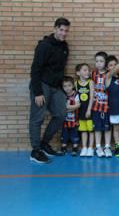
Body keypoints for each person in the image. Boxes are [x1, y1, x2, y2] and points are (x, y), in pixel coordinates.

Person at [28, 17, 70, 164]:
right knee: (37, 118)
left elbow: (59, 69)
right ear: (55, 29)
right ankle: (35, 150)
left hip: (55, 87)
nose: (64, 33)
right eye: (61, 30)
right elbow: (35, 69)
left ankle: (44, 144)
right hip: (41, 85)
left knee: (61, 113)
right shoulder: (44, 46)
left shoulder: (64, 47)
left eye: (66, 31)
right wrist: (38, 92)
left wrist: (61, 90)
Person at [92, 52, 119, 158]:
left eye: (115, 64)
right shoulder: (108, 76)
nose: (114, 67)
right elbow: (113, 71)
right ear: (107, 67)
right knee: (116, 128)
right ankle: (118, 147)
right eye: (111, 65)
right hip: (113, 108)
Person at [75, 63, 95, 157]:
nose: (88, 72)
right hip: (80, 111)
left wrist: (89, 109)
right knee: (83, 130)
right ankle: (84, 148)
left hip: (89, 110)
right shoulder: (76, 83)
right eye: (85, 70)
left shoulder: (90, 82)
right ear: (78, 73)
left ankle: (90, 148)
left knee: (91, 130)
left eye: (88, 70)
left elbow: (92, 97)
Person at [59, 76, 80, 156]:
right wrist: (71, 107)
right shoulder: (62, 95)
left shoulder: (76, 94)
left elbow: (78, 105)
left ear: (73, 86)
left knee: (75, 134)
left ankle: (75, 148)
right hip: (65, 120)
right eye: (65, 86)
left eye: (69, 85)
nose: (67, 88)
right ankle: (63, 148)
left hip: (74, 119)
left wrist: (68, 108)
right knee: (64, 134)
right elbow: (62, 106)